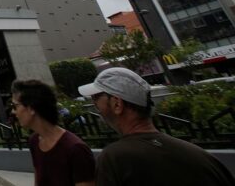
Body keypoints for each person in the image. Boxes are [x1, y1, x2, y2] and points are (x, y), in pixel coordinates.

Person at [79, 67, 235, 186]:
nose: (95, 105)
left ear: (117, 104)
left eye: (96, 98)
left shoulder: (113, 159)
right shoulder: (204, 158)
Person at [11, 79, 95, 186]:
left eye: (15, 106)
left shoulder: (76, 149)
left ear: (31, 108)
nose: (13, 112)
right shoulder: (34, 141)